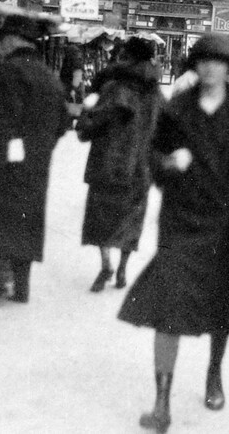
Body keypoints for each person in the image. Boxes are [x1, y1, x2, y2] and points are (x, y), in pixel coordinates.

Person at [118, 32, 229, 432]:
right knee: (167, 307)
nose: (209, 67)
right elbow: (151, 155)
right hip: (182, 223)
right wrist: (168, 163)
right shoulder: (177, 110)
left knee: (222, 305)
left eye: (217, 61)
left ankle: (214, 374)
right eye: (203, 60)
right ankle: (161, 404)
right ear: (195, 65)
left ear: (228, 68)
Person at [0, 18, 69, 306]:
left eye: (1, 39)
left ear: (12, 40)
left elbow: (1, 119)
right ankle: (21, 287)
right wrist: (39, 150)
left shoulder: (8, 72)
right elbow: (63, 124)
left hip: (2, 164)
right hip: (35, 167)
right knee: (25, 224)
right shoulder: (50, 76)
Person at [77, 37, 163, 292]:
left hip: (108, 165)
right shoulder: (156, 94)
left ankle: (106, 265)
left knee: (101, 218)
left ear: (127, 57)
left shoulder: (115, 88)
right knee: (131, 221)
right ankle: (123, 268)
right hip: (141, 168)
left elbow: (94, 123)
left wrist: (84, 120)